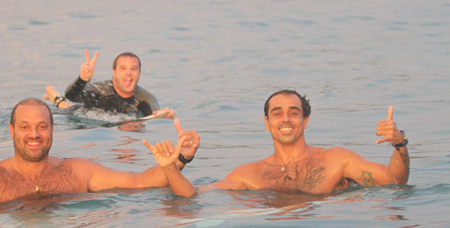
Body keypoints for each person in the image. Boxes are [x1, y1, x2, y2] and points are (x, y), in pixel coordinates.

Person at [0, 98, 199, 212]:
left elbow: (141, 182)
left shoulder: (76, 171)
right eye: (25, 127)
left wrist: (179, 159)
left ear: (52, 129)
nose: (34, 135)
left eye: (42, 126)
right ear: (11, 130)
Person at [145, 89, 410, 197]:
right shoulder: (250, 174)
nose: (286, 119)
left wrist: (399, 145)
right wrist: (171, 166)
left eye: (294, 113)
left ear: (305, 120)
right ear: (266, 122)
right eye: (277, 113)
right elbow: (192, 196)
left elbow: (394, 182)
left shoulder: (337, 160)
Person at [44, 49, 174, 119]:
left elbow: (154, 113)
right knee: (66, 107)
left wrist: (162, 116)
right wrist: (83, 79)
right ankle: (53, 94)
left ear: (139, 73)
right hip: (84, 110)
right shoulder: (100, 90)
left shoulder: (145, 98)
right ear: (114, 72)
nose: (128, 73)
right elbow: (71, 96)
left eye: (133, 69)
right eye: (123, 68)